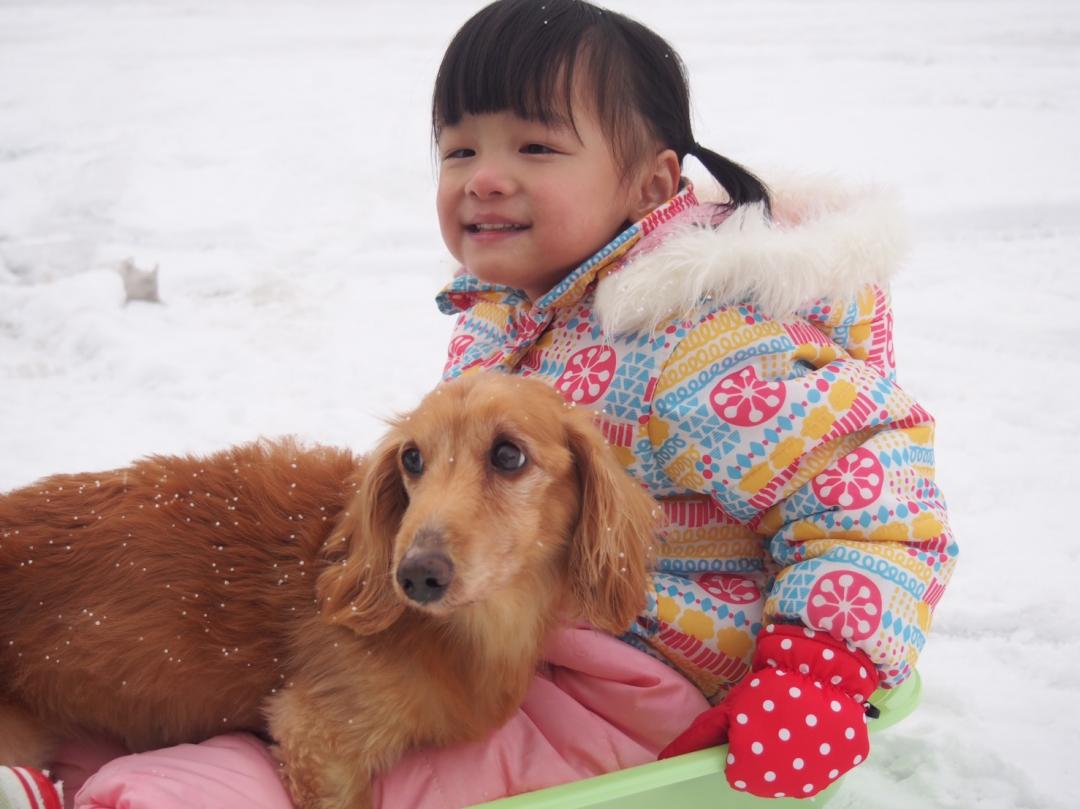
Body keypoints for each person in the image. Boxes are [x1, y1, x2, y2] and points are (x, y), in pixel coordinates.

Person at [3, 1, 956, 806]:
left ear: (653, 183)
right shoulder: (515, 312)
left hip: (648, 679)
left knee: (389, 776)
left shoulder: (705, 350)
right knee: (315, 696)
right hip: (531, 630)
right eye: (460, 150)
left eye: (535, 146)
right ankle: (82, 760)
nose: (483, 177)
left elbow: (879, 505)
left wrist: (814, 674)